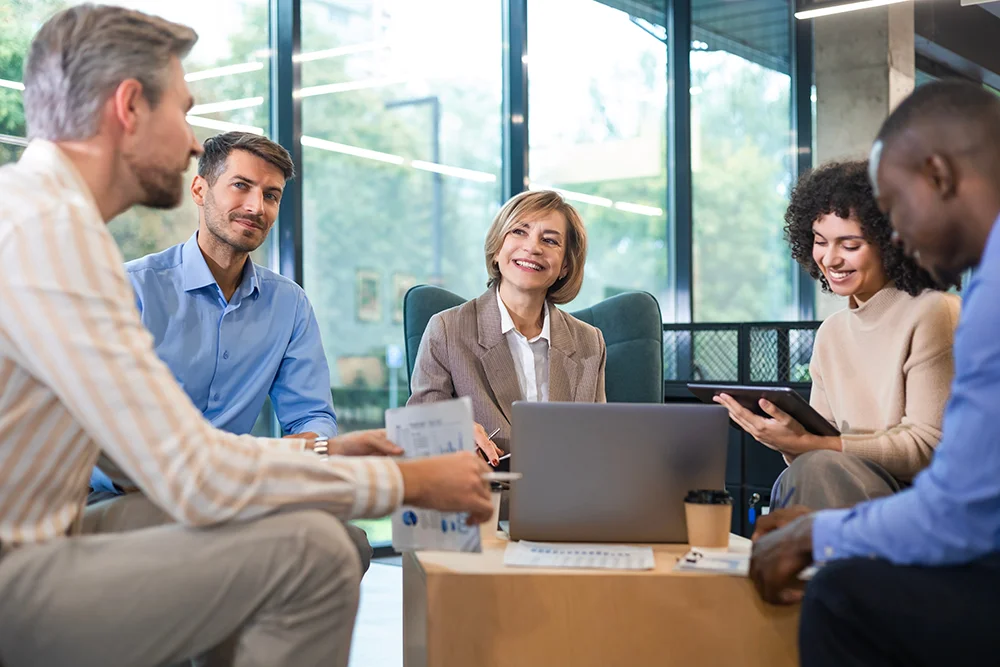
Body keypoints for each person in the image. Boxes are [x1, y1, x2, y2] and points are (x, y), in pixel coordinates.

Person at [0, 7, 492, 667]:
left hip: (63, 532)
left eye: (271, 193)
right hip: (25, 568)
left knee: (327, 538)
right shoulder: (53, 234)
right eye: (184, 109)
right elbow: (190, 475)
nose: (185, 143)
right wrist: (403, 481)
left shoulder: (39, 214)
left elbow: (136, 452)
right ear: (129, 106)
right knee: (314, 552)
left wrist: (336, 449)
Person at [749, 79, 1000, 666]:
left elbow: (960, 503)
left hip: (955, 527)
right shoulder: (980, 284)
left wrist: (821, 533)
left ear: (937, 177)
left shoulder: (962, 304)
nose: (899, 233)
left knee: (839, 595)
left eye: (891, 211)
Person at [86, 131, 379, 572]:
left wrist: (307, 446)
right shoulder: (131, 289)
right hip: (128, 494)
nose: (256, 207)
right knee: (190, 548)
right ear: (200, 189)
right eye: (241, 186)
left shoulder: (290, 304)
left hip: (233, 492)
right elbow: (101, 433)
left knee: (344, 544)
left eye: (271, 195)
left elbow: (311, 417)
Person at [714, 160, 959, 511]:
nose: (830, 259)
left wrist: (810, 445)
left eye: (850, 244)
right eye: (820, 241)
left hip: (922, 503)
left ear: (892, 244)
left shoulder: (934, 313)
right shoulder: (831, 333)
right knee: (805, 472)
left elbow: (928, 448)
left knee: (816, 468)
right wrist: (786, 439)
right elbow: (821, 442)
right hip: (845, 489)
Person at [407, 189, 607, 464]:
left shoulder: (590, 342)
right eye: (519, 232)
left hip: (569, 496)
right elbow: (417, 431)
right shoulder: (447, 330)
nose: (533, 247)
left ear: (564, 266)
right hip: (483, 494)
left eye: (550, 241)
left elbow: (600, 438)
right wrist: (453, 432)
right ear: (497, 248)